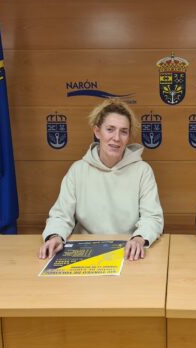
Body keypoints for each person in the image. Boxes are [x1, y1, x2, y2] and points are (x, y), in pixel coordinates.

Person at [38, 99, 164, 261]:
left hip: (128, 251)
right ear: (97, 132)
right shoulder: (78, 170)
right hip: (84, 252)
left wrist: (139, 238)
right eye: (110, 129)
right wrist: (55, 236)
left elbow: (152, 217)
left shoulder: (142, 171)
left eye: (123, 131)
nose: (116, 138)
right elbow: (61, 216)